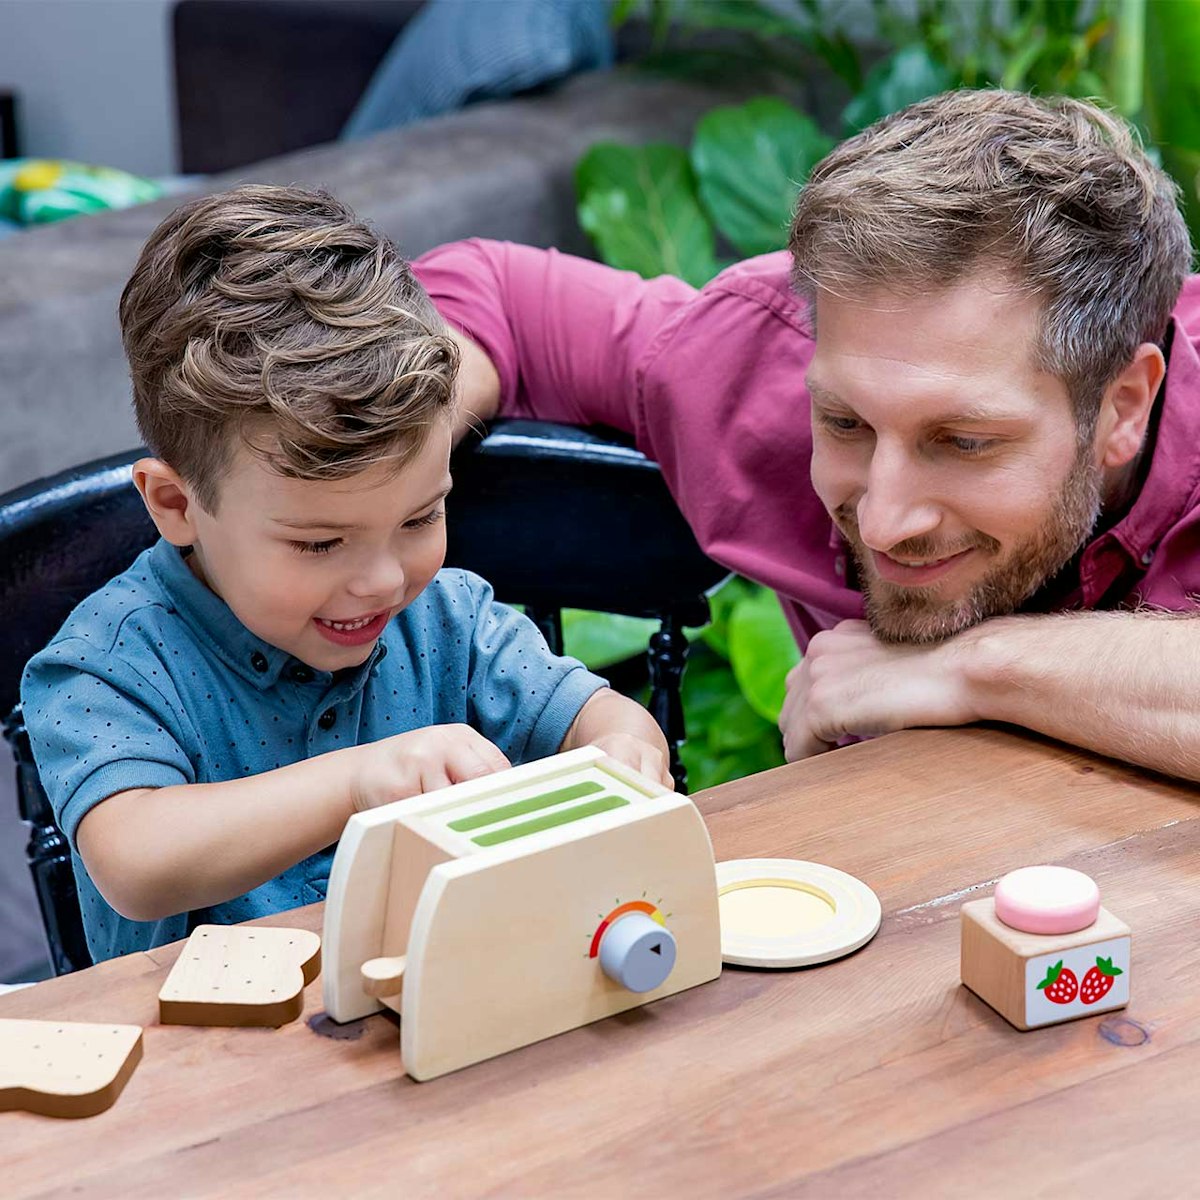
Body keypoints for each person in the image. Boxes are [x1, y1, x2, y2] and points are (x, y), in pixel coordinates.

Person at [412, 87, 1200, 781]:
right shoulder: (754, 357)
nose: (885, 523)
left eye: (963, 442)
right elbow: (486, 294)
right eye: (844, 423)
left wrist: (974, 667)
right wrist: (377, 517)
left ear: (1125, 406)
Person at [20, 185, 670, 963]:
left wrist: (623, 749)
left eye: (419, 518)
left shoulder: (448, 622)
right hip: (205, 1036)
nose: (383, 581)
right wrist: (361, 781)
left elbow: (600, 718)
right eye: (320, 544)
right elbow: (139, 862)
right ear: (177, 505)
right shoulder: (109, 665)